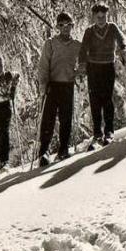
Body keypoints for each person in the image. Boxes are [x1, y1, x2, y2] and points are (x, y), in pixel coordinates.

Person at [37, 12, 83, 167]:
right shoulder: (50, 43)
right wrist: (43, 85)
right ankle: (43, 152)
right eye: (61, 25)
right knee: (48, 120)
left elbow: (84, 62)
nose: (65, 28)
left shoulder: (77, 45)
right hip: (52, 85)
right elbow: (43, 65)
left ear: (72, 26)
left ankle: (63, 149)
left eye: (68, 25)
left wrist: (77, 73)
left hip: (67, 85)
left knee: (66, 119)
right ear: (57, 27)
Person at [78, 3, 126, 146]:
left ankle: (109, 131)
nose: (101, 19)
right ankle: (97, 133)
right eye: (98, 17)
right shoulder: (89, 31)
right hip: (93, 67)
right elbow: (83, 49)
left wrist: (123, 48)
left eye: (103, 16)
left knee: (107, 98)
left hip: (108, 66)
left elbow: (122, 39)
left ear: (107, 15)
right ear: (93, 17)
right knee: (94, 100)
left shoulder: (112, 27)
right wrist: (82, 63)